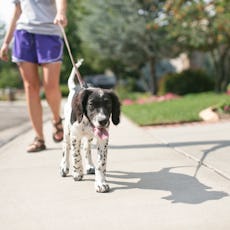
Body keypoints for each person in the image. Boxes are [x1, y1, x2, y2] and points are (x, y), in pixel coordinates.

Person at [0, 0, 68, 152]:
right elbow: (17, 11)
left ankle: (57, 120)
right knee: (30, 87)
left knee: (50, 85)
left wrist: (61, 12)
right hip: (23, 33)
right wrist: (6, 42)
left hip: (49, 32)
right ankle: (39, 138)